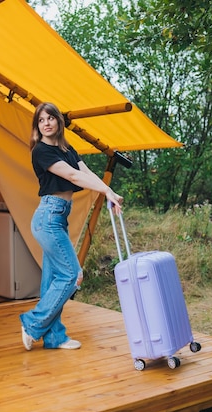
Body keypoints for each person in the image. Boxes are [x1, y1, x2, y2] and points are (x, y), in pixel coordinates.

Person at [20, 102, 124, 350]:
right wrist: (106, 191)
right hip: (48, 217)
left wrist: (109, 191)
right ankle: (32, 323)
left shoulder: (67, 149)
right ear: (38, 126)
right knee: (72, 274)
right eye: (41, 120)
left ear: (58, 121)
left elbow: (86, 172)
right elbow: (74, 177)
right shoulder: (41, 151)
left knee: (54, 278)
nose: (46, 123)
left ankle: (54, 337)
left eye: (50, 118)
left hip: (58, 217)